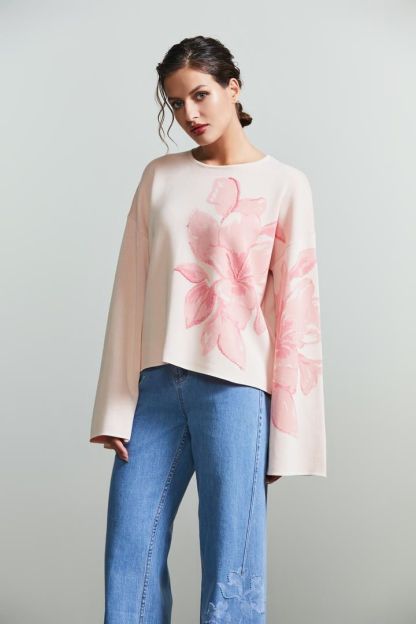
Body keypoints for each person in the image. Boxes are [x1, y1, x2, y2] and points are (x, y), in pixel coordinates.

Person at [89, 35, 327, 624]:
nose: (189, 113)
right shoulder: (160, 177)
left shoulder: (285, 184)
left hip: (236, 391)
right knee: (129, 556)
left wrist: (288, 433)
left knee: (232, 567)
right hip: (154, 389)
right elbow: (129, 292)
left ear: (233, 88)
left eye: (200, 95)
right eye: (176, 103)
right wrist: (114, 407)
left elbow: (297, 310)